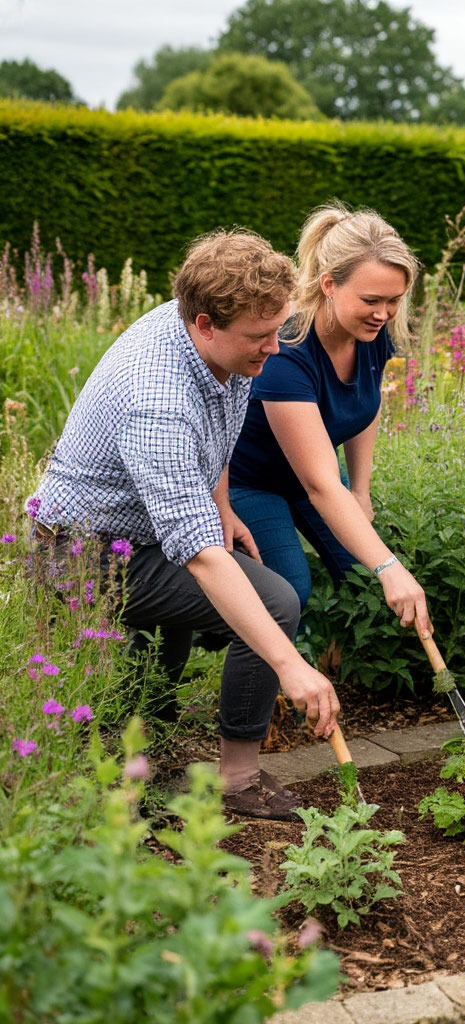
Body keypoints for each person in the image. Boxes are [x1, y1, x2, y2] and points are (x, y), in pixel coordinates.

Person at [27, 228, 342, 822]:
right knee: (273, 601)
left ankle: (130, 765)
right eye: (260, 337)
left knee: (157, 668)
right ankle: (234, 779)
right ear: (204, 324)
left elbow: (216, 428)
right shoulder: (157, 399)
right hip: (82, 552)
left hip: (139, 533)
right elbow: (199, 554)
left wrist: (222, 506)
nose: (275, 348)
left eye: (277, 329)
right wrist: (291, 667)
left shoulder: (221, 340)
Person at [228, 203, 431, 636]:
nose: (383, 313)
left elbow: (362, 407)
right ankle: (239, 642)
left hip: (314, 470)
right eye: (371, 300)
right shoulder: (287, 352)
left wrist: (360, 490)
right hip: (250, 481)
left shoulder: (372, 333)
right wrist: (391, 569)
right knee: (289, 592)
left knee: (359, 573)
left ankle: (334, 651)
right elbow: (320, 484)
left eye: (394, 301)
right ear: (329, 285)